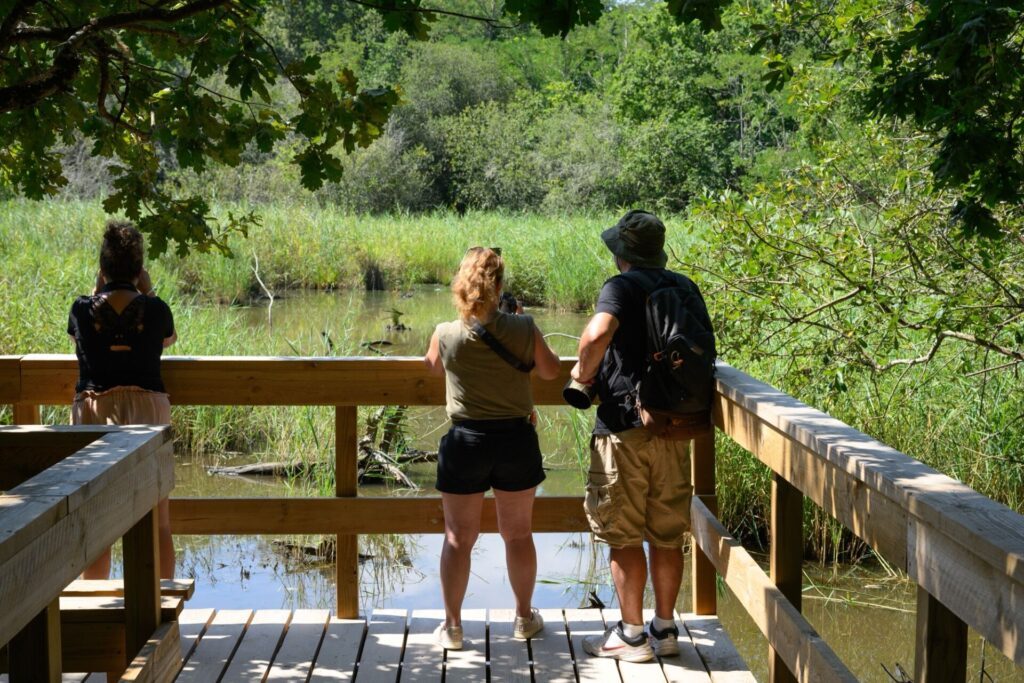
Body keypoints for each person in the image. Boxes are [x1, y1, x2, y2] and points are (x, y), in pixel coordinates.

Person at [571, 210, 703, 662]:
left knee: (623, 533)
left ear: (621, 253)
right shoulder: (683, 286)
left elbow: (597, 335)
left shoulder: (620, 287)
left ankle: (630, 637)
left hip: (625, 428)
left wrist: (582, 373)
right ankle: (664, 630)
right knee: (667, 533)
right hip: (674, 425)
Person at [424, 247, 561, 650]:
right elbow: (551, 371)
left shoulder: (445, 332)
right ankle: (523, 619)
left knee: (457, 539)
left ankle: (452, 628)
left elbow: (431, 368)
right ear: (499, 285)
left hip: (465, 441)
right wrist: (520, 329)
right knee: (518, 535)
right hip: (515, 441)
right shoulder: (524, 328)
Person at [67, 220, 177, 579]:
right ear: (139, 269)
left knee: (94, 520)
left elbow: (80, 340)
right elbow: (167, 341)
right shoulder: (155, 308)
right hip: (147, 409)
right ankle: (160, 605)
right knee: (157, 517)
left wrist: (94, 288)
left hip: (95, 410)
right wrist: (149, 291)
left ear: (103, 269)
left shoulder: (82, 309)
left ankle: (91, 608)